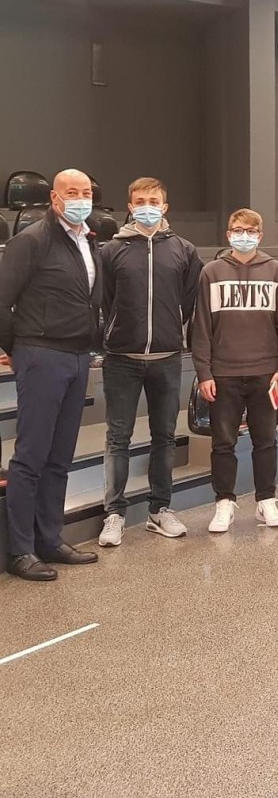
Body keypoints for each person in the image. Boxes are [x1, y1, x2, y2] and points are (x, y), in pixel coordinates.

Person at [0, 169, 102, 581]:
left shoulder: (87, 240)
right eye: (71, 192)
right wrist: (17, 349)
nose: (80, 198)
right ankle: (21, 550)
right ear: (54, 198)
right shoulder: (32, 240)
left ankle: (50, 539)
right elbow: (2, 300)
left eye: (85, 192)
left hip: (78, 357)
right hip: (41, 355)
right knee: (32, 456)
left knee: (60, 456)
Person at [97, 177, 202, 547]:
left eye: (153, 201)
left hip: (166, 359)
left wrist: (169, 329)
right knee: (118, 438)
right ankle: (114, 513)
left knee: (164, 437)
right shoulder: (112, 250)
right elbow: (105, 300)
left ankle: (160, 510)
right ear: (129, 206)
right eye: (140, 201)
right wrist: (118, 331)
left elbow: (188, 300)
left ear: (164, 206)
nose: (147, 207)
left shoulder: (184, 250)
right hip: (121, 359)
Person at [190, 208, 278, 533]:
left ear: (259, 235)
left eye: (249, 231)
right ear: (228, 234)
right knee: (222, 442)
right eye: (237, 230)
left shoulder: (277, 271)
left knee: (266, 440)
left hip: (266, 373)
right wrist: (204, 373)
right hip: (224, 374)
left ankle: (266, 500)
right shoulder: (211, 272)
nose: (243, 235)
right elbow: (201, 327)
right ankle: (224, 502)